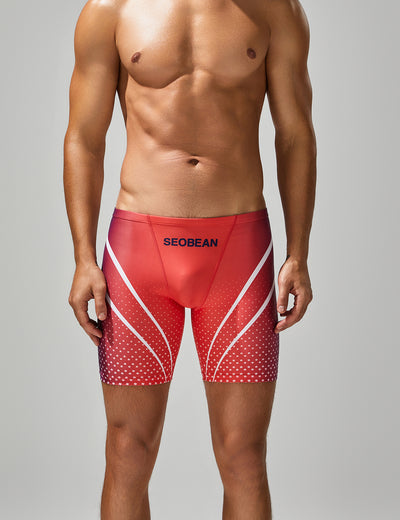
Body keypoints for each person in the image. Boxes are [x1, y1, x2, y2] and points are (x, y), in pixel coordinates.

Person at [63, 0, 316, 518]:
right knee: (128, 450)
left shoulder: (275, 10)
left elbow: (295, 133)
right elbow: (84, 139)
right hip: (138, 252)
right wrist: (83, 257)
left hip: (239, 254)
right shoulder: (110, 10)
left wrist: (299, 253)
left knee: (244, 455)